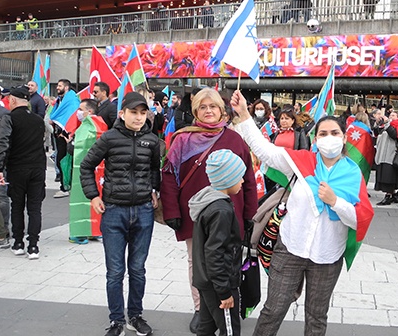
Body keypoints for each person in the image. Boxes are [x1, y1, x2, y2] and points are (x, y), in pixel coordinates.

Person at [231, 89, 374, 336]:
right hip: (290, 248)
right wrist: (244, 114)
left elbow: (358, 220)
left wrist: (335, 202)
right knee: (274, 309)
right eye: (323, 134)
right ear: (315, 139)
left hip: (328, 256)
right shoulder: (301, 162)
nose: (329, 138)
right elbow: (265, 150)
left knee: (317, 317)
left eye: (335, 133)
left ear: (343, 138)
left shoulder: (353, 175)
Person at [160, 88, 257, 334]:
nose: (208, 111)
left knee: (227, 259)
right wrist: (171, 210)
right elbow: (169, 176)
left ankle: (224, 302)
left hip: (229, 213)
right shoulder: (182, 139)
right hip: (193, 214)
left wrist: (249, 215)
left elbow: (248, 179)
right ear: (195, 111)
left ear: (222, 110)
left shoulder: (235, 139)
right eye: (203, 107)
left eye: (213, 106)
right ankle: (201, 308)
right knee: (198, 263)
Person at [80, 92, 160, 336]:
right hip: (114, 211)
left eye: (142, 112)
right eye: (133, 112)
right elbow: (86, 165)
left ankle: (135, 316)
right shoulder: (110, 138)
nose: (138, 117)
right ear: (122, 113)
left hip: (144, 212)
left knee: (138, 268)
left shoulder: (152, 140)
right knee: (115, 271)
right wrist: (93, 196)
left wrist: (154, 190)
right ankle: (116, 320)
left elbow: (155, 168)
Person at [189, 149, 246, 336]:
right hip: (219, 283)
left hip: (205, 280)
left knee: (205, 327)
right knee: (230, 329)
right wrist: (224, 291)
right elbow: (215, 252)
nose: (243, 181)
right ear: (227, 179)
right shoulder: (221, 210)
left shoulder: (208, 202)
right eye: (239, 177)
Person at [0, 86, 46, 260]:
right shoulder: (38, 120)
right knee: (35, 208)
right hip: (38, 168)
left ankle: (18, 242)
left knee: (17, 205)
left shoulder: (9, 118)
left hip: (17, 168)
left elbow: (3, 143)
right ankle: (33, 246)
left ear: (13, 100)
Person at [68, 99, 98, 245]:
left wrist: (70, 142)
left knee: (80, 201)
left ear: (89, 111)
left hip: (82, 170)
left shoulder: (86, 128)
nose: (78, 113)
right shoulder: (101, 125)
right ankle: (94, 231)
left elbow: (74, 149)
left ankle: (79, 232)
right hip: (97, 172)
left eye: (81, 109)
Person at [374, 110, 398, 205]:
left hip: (391, 155)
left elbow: (394, 135)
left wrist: (387, 123)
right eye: (390, 115)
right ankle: (393, 195)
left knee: (389, 177)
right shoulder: (386, 125)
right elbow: (377, 133)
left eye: (394, 115)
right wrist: (378, 124)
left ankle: (388, 196)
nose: (391, 117)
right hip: (382, 154)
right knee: (384, 175)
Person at [0, 86, 9, 248]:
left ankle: (4, 230)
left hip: (1, 162)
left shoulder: (4, 115)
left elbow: (5, 142)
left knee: (2, 197)